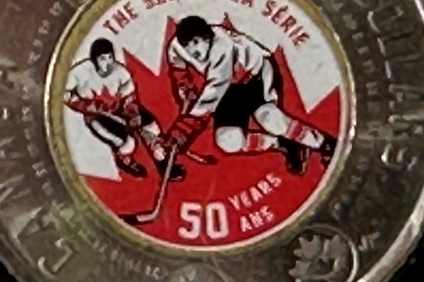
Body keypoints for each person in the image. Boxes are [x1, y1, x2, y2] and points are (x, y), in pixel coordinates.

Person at [157, 15, 335, 175]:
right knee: (229, 140)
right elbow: (179, 72)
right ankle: (286, 145)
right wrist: (187, 92)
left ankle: (325, 144)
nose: (192, 50)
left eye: (195, 42)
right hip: (229, 90)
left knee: (270, 119)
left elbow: (213, 94)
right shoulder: (176, 47)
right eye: (186, 45)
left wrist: (180, 134)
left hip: (255, 77)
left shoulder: (222, 47)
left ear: (207, 37)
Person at [64, 39, 183, 180]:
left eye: (110, 57)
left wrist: (132, 114)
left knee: (151, 128)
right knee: (127, 143)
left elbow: (129, 98)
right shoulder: (80, 72)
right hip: (97, 116)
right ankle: (124, 160)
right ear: (94, 59)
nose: (108, 63)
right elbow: (64, 94)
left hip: (120, 109)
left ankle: (164, 164)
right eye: (102, 59)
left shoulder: (121, 72)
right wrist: (85, 105)